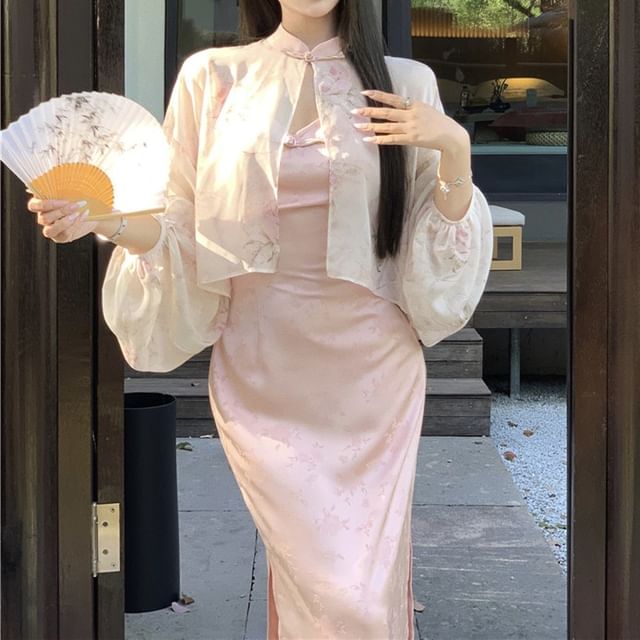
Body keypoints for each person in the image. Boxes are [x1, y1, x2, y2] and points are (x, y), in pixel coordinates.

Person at [26, 0, 494, 637]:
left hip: (372, 372)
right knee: (311, 574)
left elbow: (432, 236)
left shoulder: (405, 82)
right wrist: (106, 222)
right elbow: (178, 226)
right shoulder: (212, 77)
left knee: (360, 583)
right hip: (262, 363)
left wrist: (455, 146)